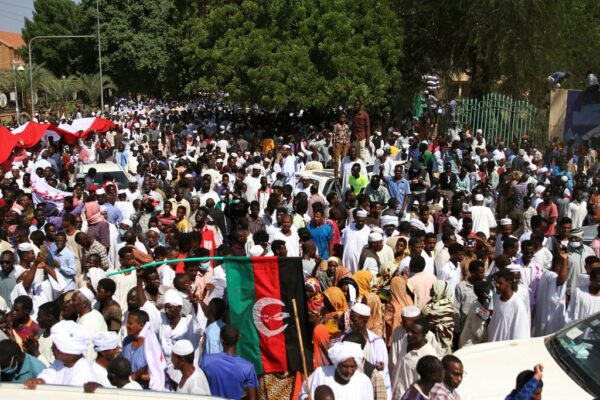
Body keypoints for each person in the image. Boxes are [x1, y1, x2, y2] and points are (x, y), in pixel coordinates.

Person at [24, 320, 97, 389]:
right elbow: (50, 374)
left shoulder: (83, 375)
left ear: (67, 348)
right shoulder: (60, 362)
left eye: (55, 346)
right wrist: (40, 380)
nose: (52, 348)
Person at [300, 341, 374, 400]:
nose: (349, 371)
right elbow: (303, 393)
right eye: (345, 366)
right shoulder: (320, 374)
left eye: (353, 367)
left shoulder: (364, 382)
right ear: (337, 364)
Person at [201, 325, 258, 400]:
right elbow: (252, 397)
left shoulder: (207, 361)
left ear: (221, 339)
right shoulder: (248, 367)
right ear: (239, 338)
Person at [390, 316, 438, 398]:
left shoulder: (429, 355)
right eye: (409, 330)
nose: (409, 334)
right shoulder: (405, 340)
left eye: (414, 332)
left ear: (423, 336)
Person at [488, 269, 531, 342]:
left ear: (509, 283)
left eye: (500, 283)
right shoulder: (498, 299)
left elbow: (520, 336)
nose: (497, 285)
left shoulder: (518, 306)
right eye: (496, 282)